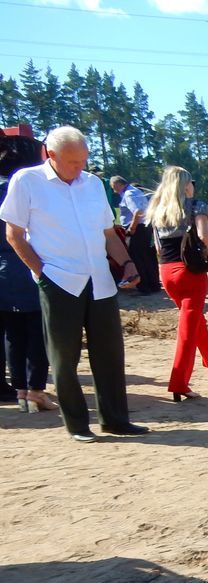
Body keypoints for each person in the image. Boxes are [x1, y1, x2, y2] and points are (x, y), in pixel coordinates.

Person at [0, 125, 147, 442]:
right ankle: (78, 424)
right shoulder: (27, 182)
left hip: (100, 281)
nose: (79, 167)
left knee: (110, 353)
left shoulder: (93, 184)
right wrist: (42, 272)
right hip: (59, 281)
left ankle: (116, 419)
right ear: (50, 155)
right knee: (64, 358)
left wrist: (127, 262)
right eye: (71, 162)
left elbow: (108, 234)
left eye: (82, 160)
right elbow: (14, 235)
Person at [145, 165, 208, 401]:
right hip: (189, 272)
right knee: (187, 330)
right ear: (185, 184)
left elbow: (158, 246)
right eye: (191, 182)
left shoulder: (157, 208)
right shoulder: (195, 206)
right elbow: (203, 235)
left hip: (166, 272)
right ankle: (179, 382)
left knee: (194, 321)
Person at [0, 130, 54, 413]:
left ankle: (21, 391)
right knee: (37, 331)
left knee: (12, 333)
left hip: (3, 270)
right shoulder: (26, 189)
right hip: (27, 263)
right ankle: (35, 390)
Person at [109, 175, 160, 294]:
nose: (113, 190)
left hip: (137, 228)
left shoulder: (128, 194)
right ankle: (154, 284)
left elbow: (137, 211)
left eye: (113, 187)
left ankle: (144, 287)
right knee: (148, 257)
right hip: (145, 227)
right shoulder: (136, 191)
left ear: (117, 184)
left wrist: (132, 228)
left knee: (138, 258)